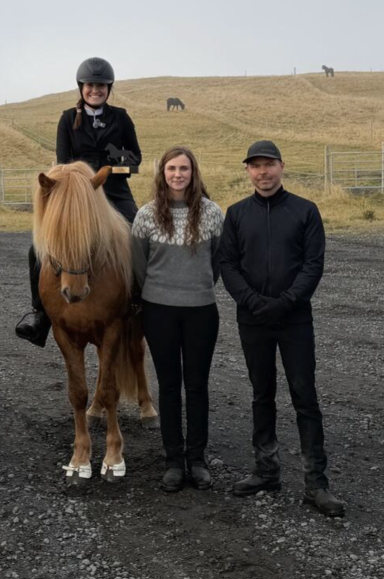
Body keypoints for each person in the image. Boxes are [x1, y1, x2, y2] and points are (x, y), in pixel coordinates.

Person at [216, 140, 345, 518]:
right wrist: (254, 302)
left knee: (305, 396)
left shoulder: (305, 211)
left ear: (282, 167)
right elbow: (228, 264)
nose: (263, 172)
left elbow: (312, 264)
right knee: (262, 394)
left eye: (269, 165)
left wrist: (285, 302)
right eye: (255, 166)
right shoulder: (237, 214)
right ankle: (266, 470)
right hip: (252, 319)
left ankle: (315, 483)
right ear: (247, 172)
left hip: (294, 320)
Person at [15, 56, 142, 347]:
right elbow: (62, 164)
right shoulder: (66, 119)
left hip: (114, 192)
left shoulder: (121, 117)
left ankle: (137, 300)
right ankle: (40, 315)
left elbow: (135, 159)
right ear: (81, 88)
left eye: (100, 86)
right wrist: (81, 184)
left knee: (138, 233)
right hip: (74, 198)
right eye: (90, 86)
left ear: (109, 89)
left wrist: (113, 164)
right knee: (36, 249)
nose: (95, 90)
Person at [131, 146, 223, 493]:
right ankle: (173, 460)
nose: (178, 174)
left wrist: (194, 288)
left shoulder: (213, 213)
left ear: (193, 172)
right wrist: (161, 292)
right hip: (159, 312)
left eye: (184, 168)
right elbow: (139, 266)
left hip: (201, 310)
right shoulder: (147, 215)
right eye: (171, 168)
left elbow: (216, 264)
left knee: (197, 386)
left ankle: (196, 460)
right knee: (169, 387)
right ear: (162, 173)